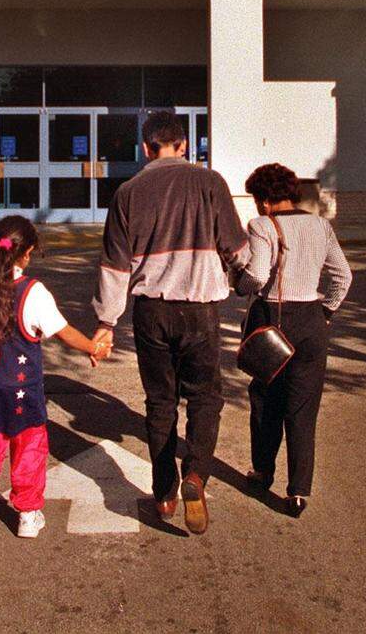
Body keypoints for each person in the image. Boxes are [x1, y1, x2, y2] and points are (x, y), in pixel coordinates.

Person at [91, 110, 250, 535]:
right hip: (199, 309)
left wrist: (105, 323)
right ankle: (196, 474)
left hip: (151, 312)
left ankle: (164, 492)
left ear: (146, 149)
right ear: (184, 146)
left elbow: (114, 267)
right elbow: (236, 248)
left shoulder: (128, 192)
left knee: (160, 402)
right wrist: (241, 278)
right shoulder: (210, 183)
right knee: (204, 397)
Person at [0, 217, 112, 572]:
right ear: (29, 252)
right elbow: (63, 331)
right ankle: (28, 514)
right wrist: (93, 348)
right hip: (23, 391)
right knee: (30, 448)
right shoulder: (34, 291)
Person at [237, 163, 352, 517]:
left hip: (275, 319)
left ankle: (263, 471)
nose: (257, 206)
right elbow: (343, 276)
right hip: (313, 322)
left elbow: (256, 276)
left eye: (258, 198)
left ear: (265, 199)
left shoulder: (261, 225)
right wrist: (326, 312)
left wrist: (237, 284)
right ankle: (298, 492)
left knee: (265, 397)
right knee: (303, 409)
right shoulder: (321, 225)